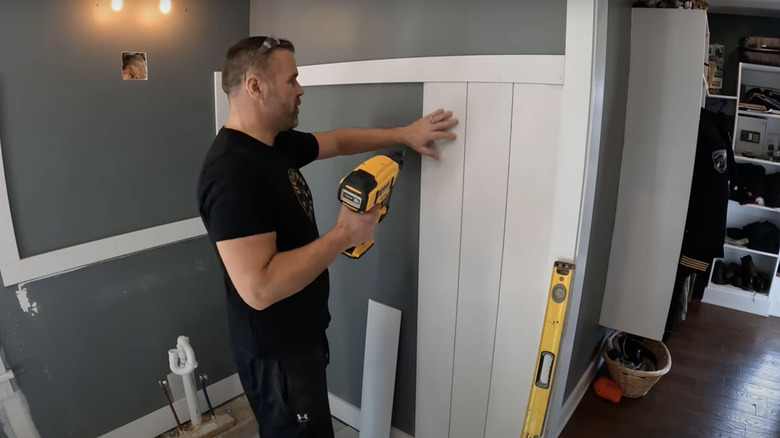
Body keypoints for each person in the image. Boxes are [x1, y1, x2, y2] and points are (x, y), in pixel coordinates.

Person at [196, 36, 458, 437]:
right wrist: (342, 234)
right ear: (255, 86)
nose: (301, 89)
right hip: (276, 355)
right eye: (292, 80)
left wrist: (404, 134)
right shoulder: (232, 172)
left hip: (301, 336)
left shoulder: (272, 144)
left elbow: (335, 141)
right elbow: (259, 288)